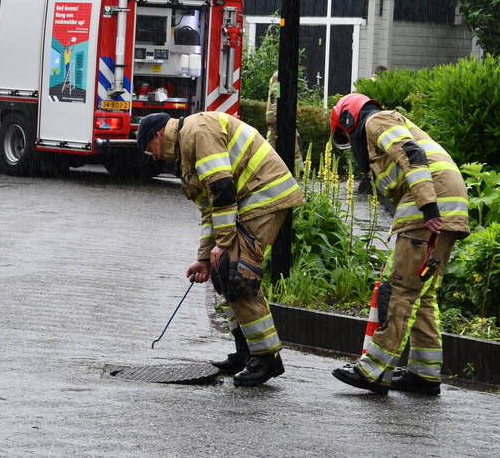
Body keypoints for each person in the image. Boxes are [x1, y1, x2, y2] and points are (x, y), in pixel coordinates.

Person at [137, 111, 304, 386]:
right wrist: (204, 258)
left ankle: (266, 359)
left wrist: (224, 244)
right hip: (251, 200)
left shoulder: (196, 130)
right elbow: (210, 210)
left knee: (238, 274)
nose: (152, 156)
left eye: (148, 148)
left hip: (264, 197)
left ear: (157, 135)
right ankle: (246, 352)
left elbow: (223, 188)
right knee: (221, 271)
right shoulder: (186, 151)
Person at [328, 93, 470, 396]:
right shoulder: (384, 124)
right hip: (446, 200)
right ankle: (424, 374)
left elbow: (411, 153)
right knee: (422, 292)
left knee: (400, 288)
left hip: (431, 204)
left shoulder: (376, 120)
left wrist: (428, 205)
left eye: (344, 132)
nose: (347, 139)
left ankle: (374, 370)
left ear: (349, 119)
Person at [265, 70, 303, 171]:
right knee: (277, 143)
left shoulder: (281, 75)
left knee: (284, 142)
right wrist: (277, 115)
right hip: (278, 118)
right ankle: (299, 171)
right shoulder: (280, 76)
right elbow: (276, 95)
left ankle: (298, 170)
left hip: (279, 117)